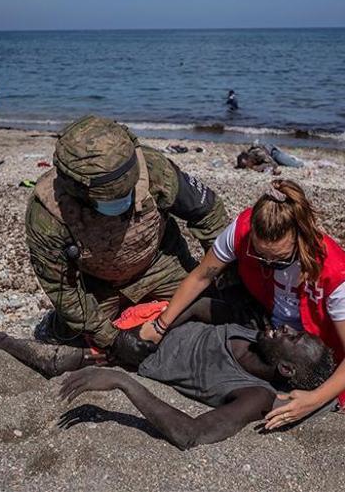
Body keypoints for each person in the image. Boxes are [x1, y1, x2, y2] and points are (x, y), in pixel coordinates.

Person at [139, 179, 345, 428]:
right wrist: (160, 325)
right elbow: (201, 276)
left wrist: (314, 399)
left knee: (316, 396)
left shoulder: (333, 273)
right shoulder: (241, 229)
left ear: (301, 237)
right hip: (267, 319)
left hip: (315, 343)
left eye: (279, 258)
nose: (268, 263)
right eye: (260, 255)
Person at [0, 314, 336, 449]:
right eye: (296, 331)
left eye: (295, 339)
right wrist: (156, 324)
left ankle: (0, 341)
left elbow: (192, 435)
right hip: (148, 321)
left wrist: (123, 382)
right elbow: (200, 304)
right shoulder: (252, 329)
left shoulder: (255, 395)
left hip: (130, 357)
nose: (288, 329)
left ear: (286, 370)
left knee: (58, 361)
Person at [24, 115, 229, 350]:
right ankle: (55, 326)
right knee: (79, 341)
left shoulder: (153, 168)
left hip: (160, 264)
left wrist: (226, 274)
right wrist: (112, 338)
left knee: (214, 308)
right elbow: (62, 288)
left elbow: (208, 213)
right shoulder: (48, 213)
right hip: (98, 284)